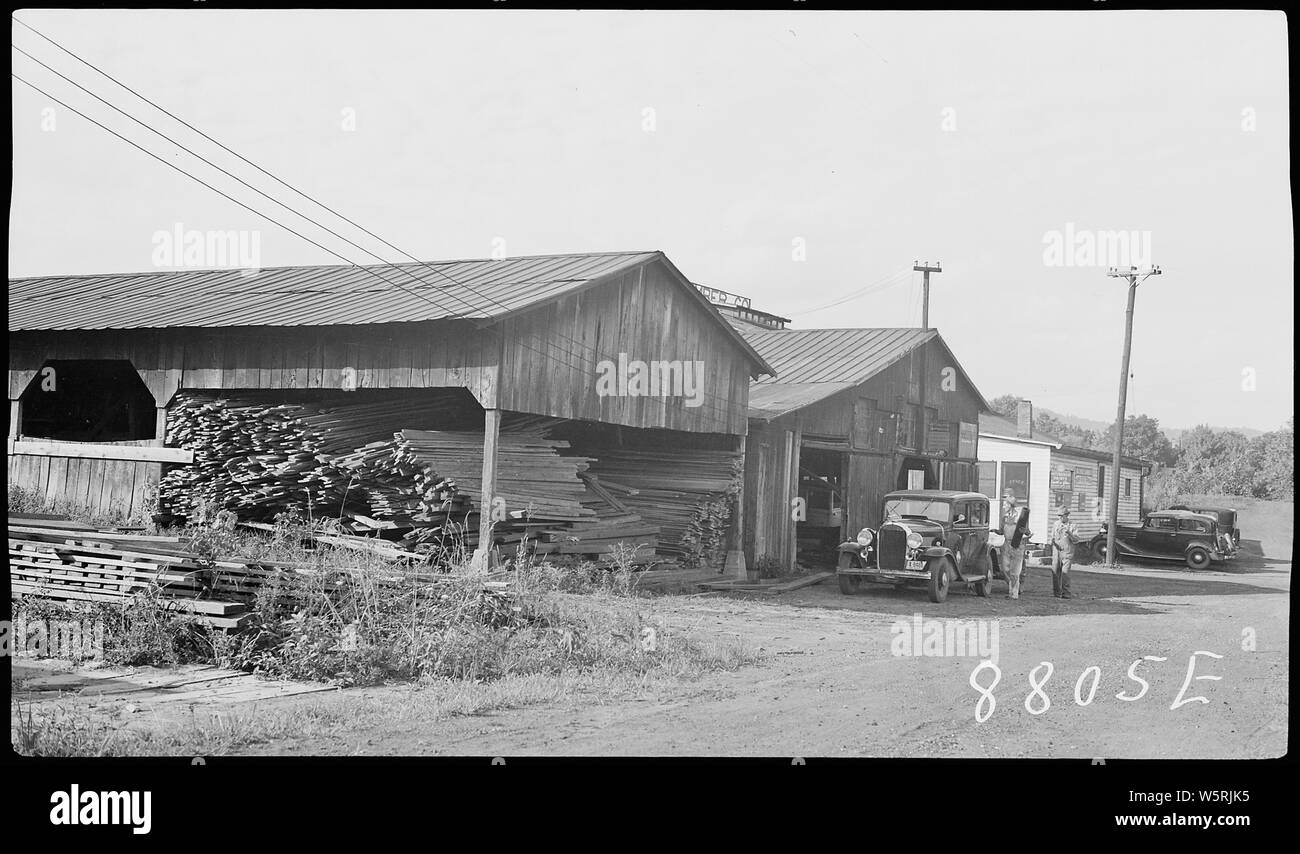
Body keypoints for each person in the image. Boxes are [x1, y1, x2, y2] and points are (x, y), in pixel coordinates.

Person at [1002, 504, 1032, 599]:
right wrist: (995, 531)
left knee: (1015, 571)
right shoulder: (1005, 517)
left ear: (1011, 506)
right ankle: (1013, 590)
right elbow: (1001, 530)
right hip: (1007, 544)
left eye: (1005, 504)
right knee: (1005, 569)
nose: (1003, 506)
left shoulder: (1020, 517)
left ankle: (1013, 593)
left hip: (1017, 545)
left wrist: (1024, 531)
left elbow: (1027, 532)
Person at [1051, 507, 1081, 599]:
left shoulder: (1073, 525)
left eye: (1062, 516)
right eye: (1059, 516)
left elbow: (1076, 540)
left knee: (1065, 573)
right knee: (1055, 572)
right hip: (1056, 551)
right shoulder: (1056, 524)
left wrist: (1069, 533)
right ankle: (1057, 593)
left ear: (1067, 515)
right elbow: (1052, 537)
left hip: (1067, 552)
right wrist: (1053, 543)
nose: (1060, 518)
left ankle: (1066, 593)